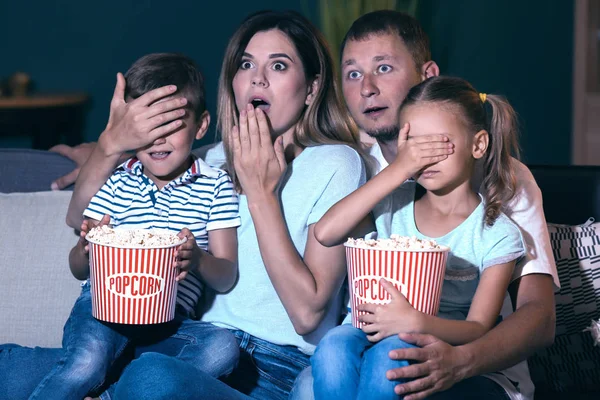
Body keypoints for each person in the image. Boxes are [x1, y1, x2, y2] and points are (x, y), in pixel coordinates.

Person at [48, 9, 558, 400]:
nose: (367, 87)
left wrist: (462, 360)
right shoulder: (343, 151)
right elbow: (153, 164)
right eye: (354, 74)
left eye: (384, 68)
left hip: (460, 363)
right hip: (272, 347)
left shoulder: (494, 175)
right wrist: (105, 147)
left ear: (426, 74)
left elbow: (539, 317)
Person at [58, 10, 368, 400]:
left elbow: (307, 316)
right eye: (246, 64)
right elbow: (76, 219)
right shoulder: (211, 161)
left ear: (311, 88)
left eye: (278, 65)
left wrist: (261, 193)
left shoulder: (335, 162)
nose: (258, 77)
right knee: (15, 369)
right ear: (234, 83)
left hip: (272, 368)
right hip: (193, 347)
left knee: (151, 378)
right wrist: (107, 147)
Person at [1, 53, 242, 400]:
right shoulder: (118, 182)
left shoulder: (214, 185)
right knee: (85, 363)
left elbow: (226, 274)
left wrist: (198, 260)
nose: (158, 140)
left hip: (168, 322)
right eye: (148, 129)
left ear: (201, 126)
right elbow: (76, 267)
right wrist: (86, 249)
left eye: (171, 126)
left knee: (222, 347)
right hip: (104, 309)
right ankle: (96, 374)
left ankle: (107, 385)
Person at [312, 75, 527, 399]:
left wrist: (415, 321)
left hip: (435, 342)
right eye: (414, 144)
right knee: (331, 347)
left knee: (392, 356)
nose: (424, 157)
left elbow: (478, 328)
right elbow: (325, 233)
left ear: (478, 144)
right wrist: (399, 169)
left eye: (437, 143)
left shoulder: (496, 233)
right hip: (363, 331)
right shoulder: (390, 204)